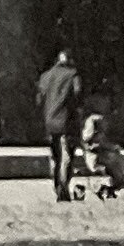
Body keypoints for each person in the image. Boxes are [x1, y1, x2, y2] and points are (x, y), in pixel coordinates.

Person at [36, 49, 83, 202]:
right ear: (70, 60)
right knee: (66, 155)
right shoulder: (72, 75)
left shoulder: (45, 76)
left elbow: (39, 99)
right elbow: (77, 93)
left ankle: (57, 186)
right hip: (66, 120)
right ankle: (63, 187)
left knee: (55, 156)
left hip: (49, 121)